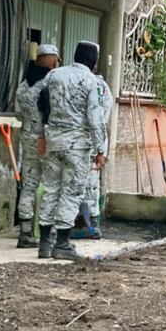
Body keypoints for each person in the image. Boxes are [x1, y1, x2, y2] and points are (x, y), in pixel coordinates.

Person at [36, 41, 107, 260]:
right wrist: (100, 149)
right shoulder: (90, 81)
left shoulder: (54, 75)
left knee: (50, 189)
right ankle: (63, 244)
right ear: (93, 60)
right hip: (77, 146)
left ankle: (44, 243)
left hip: (53, 141)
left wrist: (41, 134)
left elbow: (41, 105)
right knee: (71, 192)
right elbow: (95, 118)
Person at [13, 44, 59, 248]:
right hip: (45, 140)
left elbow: (17, 112)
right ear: (51, 61)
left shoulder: (23, 85)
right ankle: (49, 233)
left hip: (27, 139)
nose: (58, 64)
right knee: (51, 185)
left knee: (29, 186)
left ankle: (25, 233)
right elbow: (51, 111)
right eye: (56, 60)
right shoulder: (48, 83)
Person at [72, 69, 113, 240]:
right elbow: (103, 118)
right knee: (92, 185)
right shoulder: (104, 88)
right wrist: (101, 149)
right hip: (95, 141)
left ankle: (84, 225)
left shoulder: (80, 82)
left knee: (79, 186)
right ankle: (92, 224)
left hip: (80, 142)